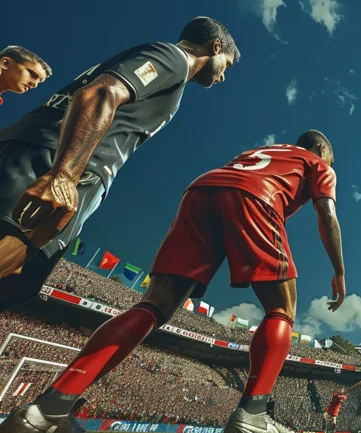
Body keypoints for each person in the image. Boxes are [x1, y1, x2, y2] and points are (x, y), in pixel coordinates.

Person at [0, 130, 345, 433]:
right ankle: (253, 415)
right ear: (321, 152)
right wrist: (338, 271)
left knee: (154, 304)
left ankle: (49, 408)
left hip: (202, 189)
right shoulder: (316, 162)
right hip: (256, 196)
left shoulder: (260, 151)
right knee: (280, 309)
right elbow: (327, 214)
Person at [0, 17, 240, 311]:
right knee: (11, 263)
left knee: (19, 283)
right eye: (226, 65)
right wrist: (63, 175)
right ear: (215, 47)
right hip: (49, 161)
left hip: (60, 165)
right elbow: (98, 94)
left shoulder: (168, 75)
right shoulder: (173, 59)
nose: (223, 77)